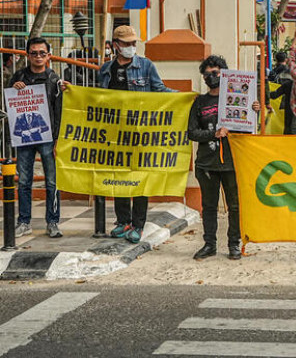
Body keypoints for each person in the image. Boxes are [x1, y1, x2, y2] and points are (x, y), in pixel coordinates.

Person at [98, 25, 171, 243]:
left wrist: (184, 97)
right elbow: (96, 97)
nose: (131, 47)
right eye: (127, 43)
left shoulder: (146, 66)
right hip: (114, 133)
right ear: (116, 45)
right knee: (119, 178)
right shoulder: (105, 69)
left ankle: (138, 224)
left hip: (140, 132)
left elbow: (160, 90)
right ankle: (123, 221)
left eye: (133, 43)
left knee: (140, 177)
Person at [188, 55, 261, 261]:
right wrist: (214, 133)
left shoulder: (239, 97)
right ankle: (209, 244)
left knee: (235, 206)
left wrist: (254, 111)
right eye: (207, 73)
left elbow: (248, 130)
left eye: (216, 73)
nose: (212, 77)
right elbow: (192, 132)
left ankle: (234, 244)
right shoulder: (200, 102)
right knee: (209, 206)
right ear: (203, 77)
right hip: (207, 164)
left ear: (225, 74)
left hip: (233, 161)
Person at [11, 37, 64, 239]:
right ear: (28, 55)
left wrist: (58, 138)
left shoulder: (53, 79)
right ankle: (24, 222)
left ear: (49, 56)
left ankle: (53, 222)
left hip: (47, 136)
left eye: (42, 53)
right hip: (24, 136)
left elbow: (58, 110)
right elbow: (9, 104)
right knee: (24, 181)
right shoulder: (18, 77)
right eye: (34, 53)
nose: (38, 56)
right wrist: (14, 91)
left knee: (52, 182)